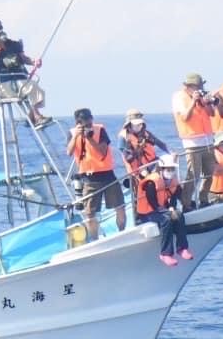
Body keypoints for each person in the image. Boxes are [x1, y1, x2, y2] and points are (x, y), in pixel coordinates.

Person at [66, 107, 126, 241]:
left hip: (107, 174)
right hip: (88, 178)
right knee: (90, 213)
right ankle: (94, 239)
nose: (88, 125)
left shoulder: (100, 130)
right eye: (85, 123)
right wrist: (77, 136)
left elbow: (102, 152)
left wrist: (90, 138)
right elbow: (69, 152)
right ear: (78, 123)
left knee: (120, 206)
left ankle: (122, 233)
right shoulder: (73, 133)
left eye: (89, 121)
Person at [0, 18, 49, 126]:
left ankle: (32, 117)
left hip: (19, 79)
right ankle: (37, 117)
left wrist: (34, 61)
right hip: (3, 83)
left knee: (36, 90)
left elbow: (23, 59)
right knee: (32, 87)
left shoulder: (12, 44)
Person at [132, 156, 192, 266]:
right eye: (168, 169)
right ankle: (166, 253)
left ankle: (182, 248)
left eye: (172, 169)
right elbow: (152, 201)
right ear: (161, 169)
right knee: (166, 220)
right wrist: (165, 211)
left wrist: (172, 208)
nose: (171, 172)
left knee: (179, 215)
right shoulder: (152, 182)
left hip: (161, 209)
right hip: (147, 213)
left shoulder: (173, 182)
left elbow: (174, 197)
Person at [170, 72, 216, 207]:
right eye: (198, 86)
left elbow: (212, 113)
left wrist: (207, 102)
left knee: (209, 173)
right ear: (190, 86)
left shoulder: (201, 96)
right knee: (193, 175)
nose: (200, 88)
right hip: (192, 142)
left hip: (208, 140)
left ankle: (203, 198)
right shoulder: (179, 97)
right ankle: (186, 204)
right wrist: (193, 101)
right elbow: (185, 117)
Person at [117, 109, 170, 173]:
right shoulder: (123, 137)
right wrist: (138, 148)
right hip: (138, 170)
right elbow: (127, 158)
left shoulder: (146, 134)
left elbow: (160, 144)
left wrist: (170, 152)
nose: (140, 126)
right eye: (137, 124)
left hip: (153, 164)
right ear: (129, 124)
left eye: (141, 124)